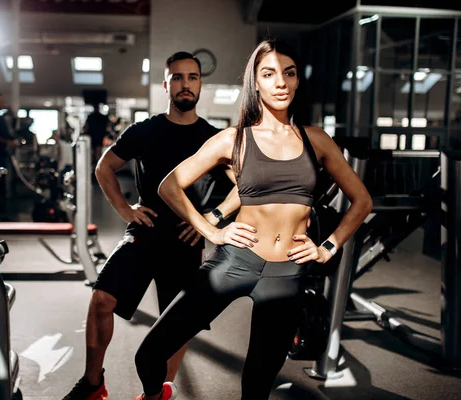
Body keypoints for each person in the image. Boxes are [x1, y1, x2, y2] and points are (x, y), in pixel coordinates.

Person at [133, 39, 373, 400]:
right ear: (255, 83)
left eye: (288, 73)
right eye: (269, 74)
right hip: (234, 262)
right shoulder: (233, 139)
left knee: (257, 384)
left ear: (297, 81)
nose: (281, 82)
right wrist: (211, 229)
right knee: (149, 353)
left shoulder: (317, 140)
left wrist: (327, 247)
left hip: (287, 273)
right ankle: (154, 396)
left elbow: (362, 201)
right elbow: (170, 186)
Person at [62, 51, 240, 400]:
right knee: (101, 300)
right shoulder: (145, 130)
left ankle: (159, 392)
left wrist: (211, 219)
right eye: (177, 77)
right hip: (145, 230)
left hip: (186, 237)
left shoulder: (213, 139)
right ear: (166, 84)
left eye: (192, 77)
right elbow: (104, 167)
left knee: (178, 324)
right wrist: (125, 209)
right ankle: (93, 384)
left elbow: (244, 186)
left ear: (200, 84)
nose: (185, 84)